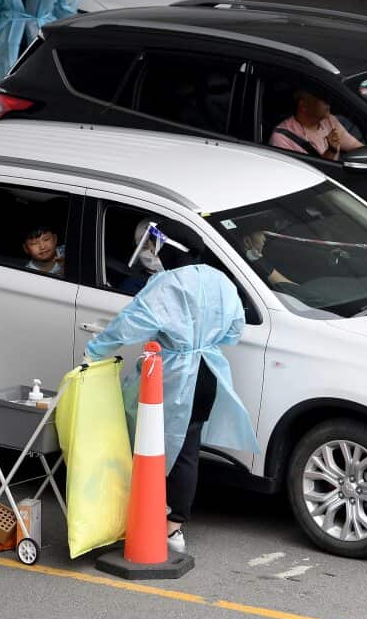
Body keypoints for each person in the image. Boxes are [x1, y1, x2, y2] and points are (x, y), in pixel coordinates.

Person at [84, 231, 258, 555]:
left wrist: (94, 351)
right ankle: (174, 526)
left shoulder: (167, 285)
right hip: (209, 372)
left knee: (149, 446)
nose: (148, 255)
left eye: (149, 248)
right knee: (188, 451)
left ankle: (145, 518)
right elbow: (235, 329)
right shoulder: (218, 280)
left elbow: (129, 324)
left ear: (162, 249)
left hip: (173, 376)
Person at [269, 88, 363, 161]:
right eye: (323, 98)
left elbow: (356, 146)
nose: (328, 102)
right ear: (303, 105)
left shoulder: (329, 121)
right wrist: (331, 150)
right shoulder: (282, 138)